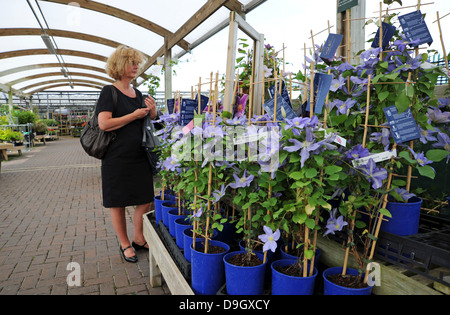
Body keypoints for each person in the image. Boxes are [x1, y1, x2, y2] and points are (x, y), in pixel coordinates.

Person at [96, 45, 157, 263]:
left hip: (139, 156)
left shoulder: (137, 93)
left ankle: (139, 238)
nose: (136, 66)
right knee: (118, 202)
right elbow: (104, 124)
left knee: (145, 199)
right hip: (116, 158)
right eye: (131, 62)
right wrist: (132, 116)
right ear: (120, 65)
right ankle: (125, 244)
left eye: (136, 62)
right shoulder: (108, 91)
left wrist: (152, 113)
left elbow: (146, 123)